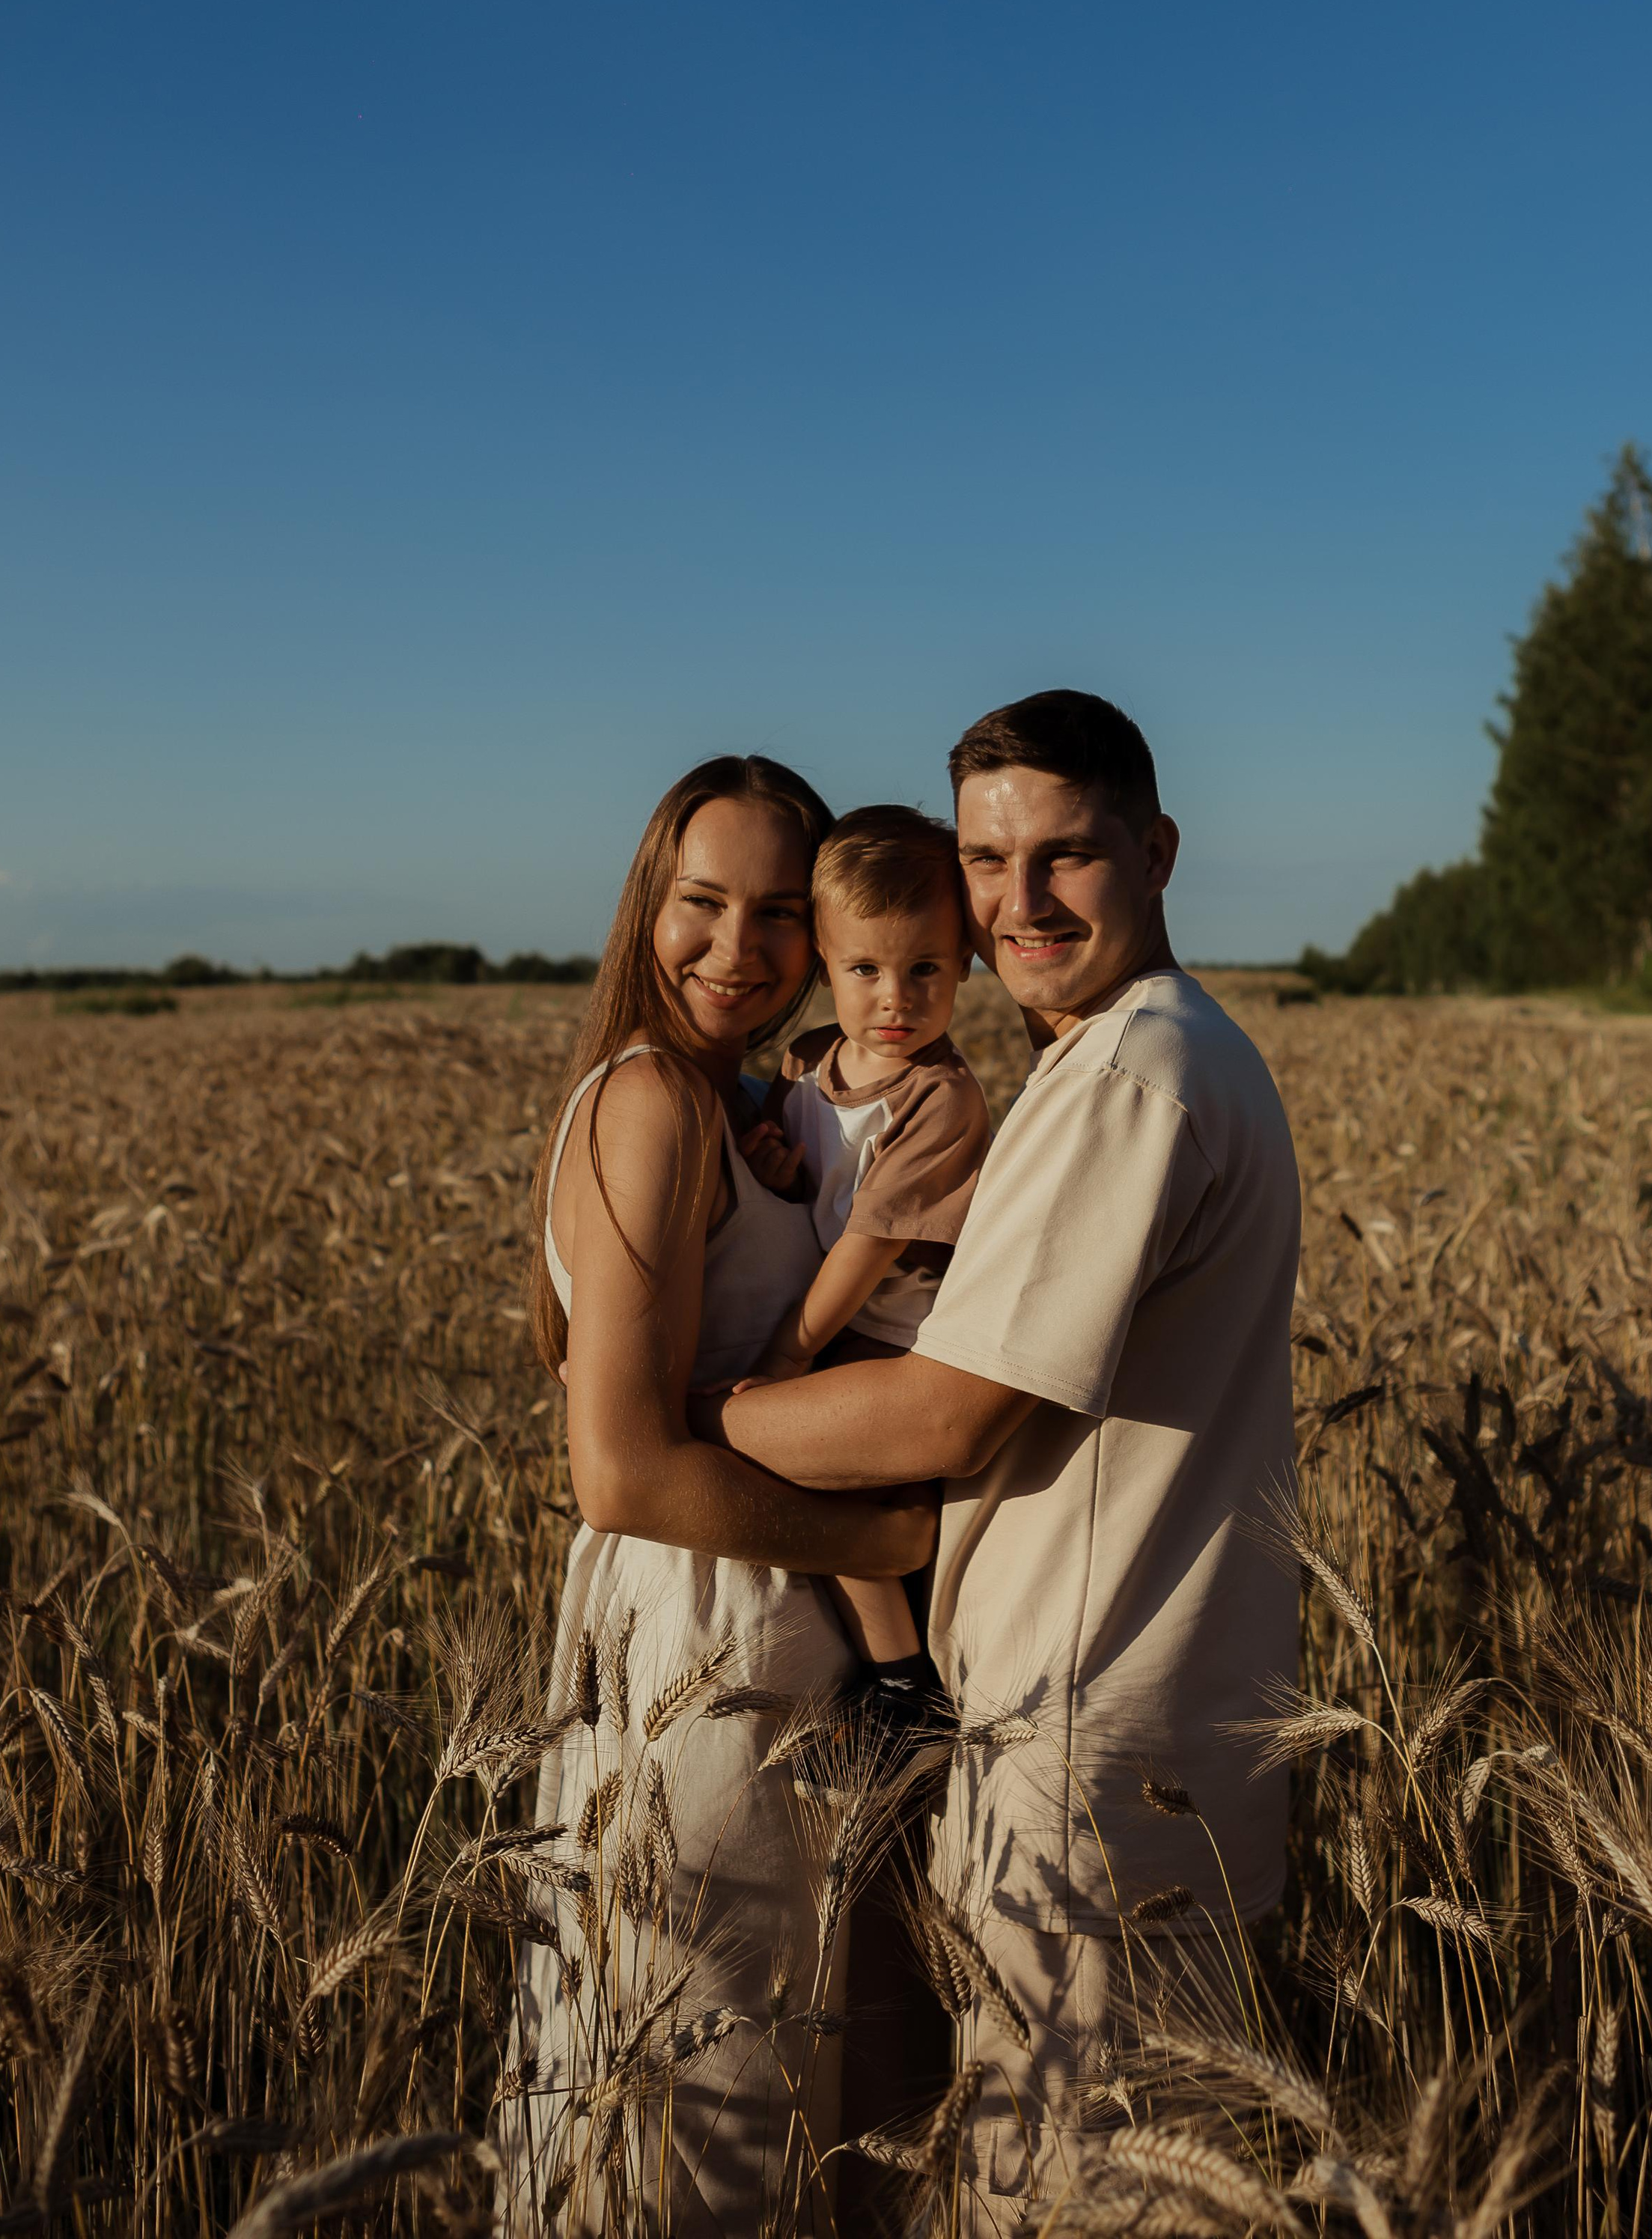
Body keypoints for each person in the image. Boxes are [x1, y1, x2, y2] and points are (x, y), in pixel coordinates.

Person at [704, 692, 1302, 2229]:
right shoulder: (1151, 1057)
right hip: (1135, 1723)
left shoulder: (1124, 1080)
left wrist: (703, 1411)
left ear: (1156, 852)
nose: (1017, 902)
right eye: (985, 859)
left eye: (1065, 856)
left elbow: (945, 1416)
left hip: (1086, 1738)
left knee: (1081, 2187)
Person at [501, 754, 935, 2239]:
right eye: (700, 905)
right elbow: (619, 1468)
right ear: (648, 904)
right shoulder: (649, 1106)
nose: (735, 952)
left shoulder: (736, 1102)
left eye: (774, 916)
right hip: (715, 1644)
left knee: (788, 2089)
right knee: (715, 2105)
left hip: (766, 1641)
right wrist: (890, 1538)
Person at [737, 803, 991, 1746]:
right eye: (865, 970)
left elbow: (868, 1243)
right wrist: (781, 1167)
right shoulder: (808, 1065)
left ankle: (900, 1682)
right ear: (825, 966)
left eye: (925, 968)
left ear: (964, 961)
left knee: (836, 1497)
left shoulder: (939, 1098)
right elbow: (821, 1182)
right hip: (829, 1324)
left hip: (891, 1338)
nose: (896, 998)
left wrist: (786, 1352)